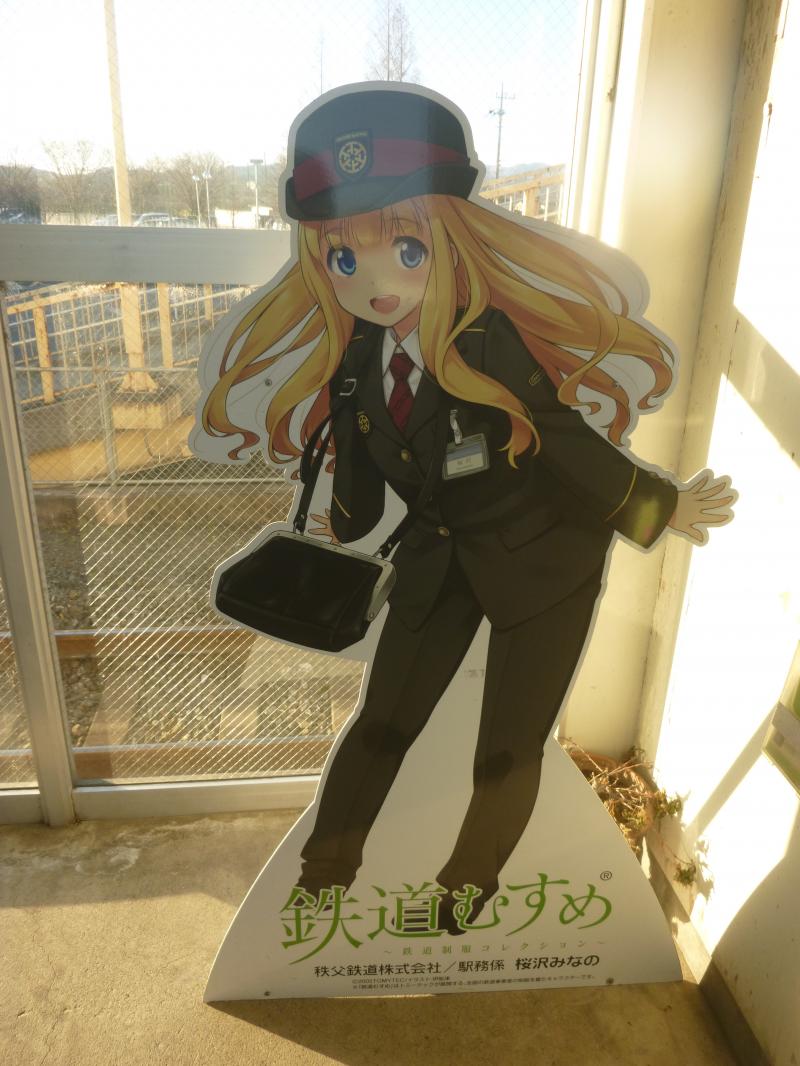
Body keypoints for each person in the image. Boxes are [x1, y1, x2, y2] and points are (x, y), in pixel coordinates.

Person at [200, 85, 733, 927]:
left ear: (450, 239)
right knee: (382, 722)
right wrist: (340, 511)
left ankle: (465, 892)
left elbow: (562, 438)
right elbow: (360, 486)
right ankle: (324, 874)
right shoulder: (357, 360)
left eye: (405, 248)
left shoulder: (486, 340)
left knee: (505, 749)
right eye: (344, 259)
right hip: (439, 551)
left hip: (547, 558)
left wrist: (657, 509)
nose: (375, 282)